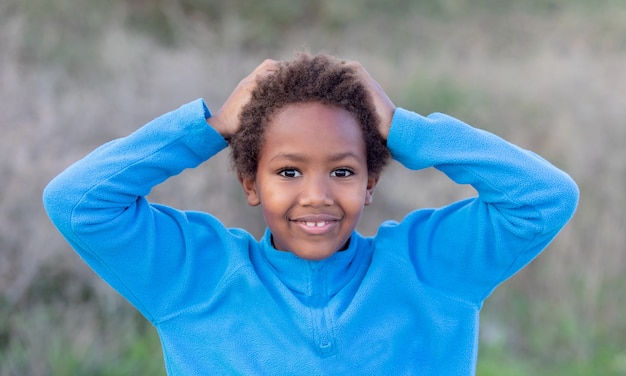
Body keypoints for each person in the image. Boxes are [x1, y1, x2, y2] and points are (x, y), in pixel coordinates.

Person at [43, 52, 579, 375]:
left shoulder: (430, 268)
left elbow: (544, 197)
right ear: (250, 182)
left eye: (343, 172)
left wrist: (406, 129)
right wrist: (208, 129)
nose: (317, 195)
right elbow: (78, 201)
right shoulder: (195, 276)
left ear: (371, 182)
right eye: (289, 172)